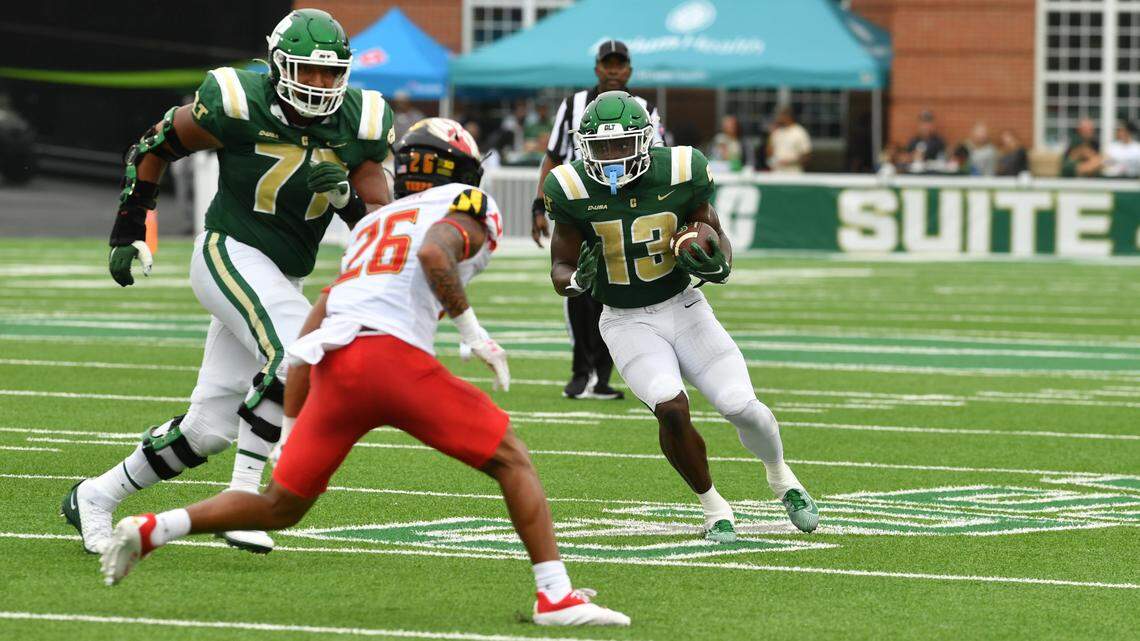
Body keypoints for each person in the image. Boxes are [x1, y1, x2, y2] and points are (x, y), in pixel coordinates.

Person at [99, 118, 630, 628]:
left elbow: (311, 331)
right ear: (465, 171)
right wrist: (473, 333)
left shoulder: (374, 223)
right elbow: (433, 254)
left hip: (336, 367)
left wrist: (289, 429)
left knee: (280, 505)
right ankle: (555, 595)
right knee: (512, 458)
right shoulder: (468, 203)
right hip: (391, 361)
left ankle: (153, 528)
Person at [62, 9, 395, 556]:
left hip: (281, 272)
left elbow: (376, 225)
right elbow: (153, 146)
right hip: (229, 249)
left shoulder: (359, 123)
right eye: (306, 71)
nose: (318, 84)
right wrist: (128, 228)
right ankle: (243, 499)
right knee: (297, 353)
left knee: (208, 429)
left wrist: (345, 200)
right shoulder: (239, 99)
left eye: (328, 73)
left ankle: (95, 496)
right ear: (277, 65)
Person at [543, 91, 818, 543]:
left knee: (742, 408)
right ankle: (714, 507)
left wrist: (721, 263)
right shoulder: (571, 189)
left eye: (621, 145)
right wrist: (576, 282)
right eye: (602, 148)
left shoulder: (681, 170)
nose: (611, 157)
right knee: (670, 409)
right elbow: (560, 264)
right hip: (625, 319)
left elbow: (714, 231)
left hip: (685, 308)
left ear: (646, 142)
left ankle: (780, 476)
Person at [530, 40, 662, 400]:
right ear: (597, 68)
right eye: (609, 63)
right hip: (580, 207)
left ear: (629, 70)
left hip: (626, 211)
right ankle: (579, 369)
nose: (614, 70)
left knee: (614, 293)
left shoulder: (645, 110)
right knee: (576, 285)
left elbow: (660, 161)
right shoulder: (573, 104)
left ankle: (603, 375)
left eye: (621, 64)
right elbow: (554, 156)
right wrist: (539, 205)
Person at [766, 106, 811, 173]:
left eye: (780, 115)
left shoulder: (799, 132)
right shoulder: (777, 131)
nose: (778, 118)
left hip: (793, 174)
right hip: (777, 173)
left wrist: (789, 162)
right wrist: (770, 134)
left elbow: (806, 156)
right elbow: (769, 153)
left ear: (788, 116)